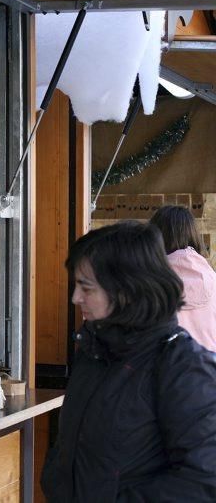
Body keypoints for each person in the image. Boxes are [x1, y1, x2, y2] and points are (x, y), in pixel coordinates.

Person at [41, 221, 216, 502]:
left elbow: (205, 481)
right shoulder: (94, 352)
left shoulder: (184, 368)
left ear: (126, 290)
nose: (75, 298)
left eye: (86, 288)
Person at [149, 204, 216, 351]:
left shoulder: (146, 284)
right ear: (193, 234)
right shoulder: (213, 279)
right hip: (208, 369)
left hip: (163, 370)